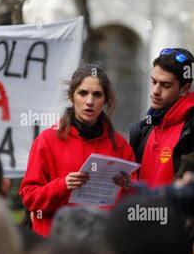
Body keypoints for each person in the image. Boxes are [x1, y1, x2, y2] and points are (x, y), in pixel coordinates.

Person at [20, 64, 136, 237]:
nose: (90, 101)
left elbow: (131, 207)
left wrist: (129, 187)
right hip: (55, 247)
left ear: (105, 100)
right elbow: (30, 198)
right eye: (83, 93)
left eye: (97, 94)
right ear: (71, 96)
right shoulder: (47, 140)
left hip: (100, 247)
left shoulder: (120, 146)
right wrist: (62, 185)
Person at [130, 48, 194, 188]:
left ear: (184, 89)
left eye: (165, 85)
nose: (155, 91)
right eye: (153, 82)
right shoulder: (144, 128)